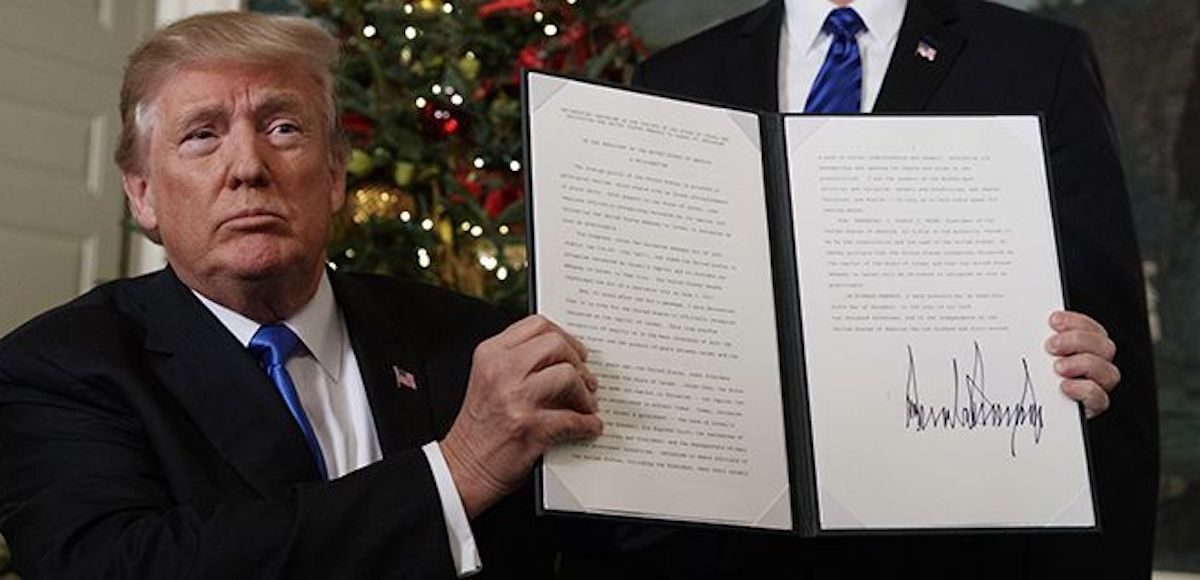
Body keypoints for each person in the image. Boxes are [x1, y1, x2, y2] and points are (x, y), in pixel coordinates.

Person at [558, 0, 1158, 578]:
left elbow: (1112, 344)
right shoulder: (676, 74)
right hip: (728, 549)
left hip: (962, 552)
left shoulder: (1037, 59)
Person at [0, 12, 603, 579]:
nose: (248, 167)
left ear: (336, 176)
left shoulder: (477, 342)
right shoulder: (58, 366)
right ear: (143, 194)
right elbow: (120, 567)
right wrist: (456, 473)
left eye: (282, 128)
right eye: (202, 136)